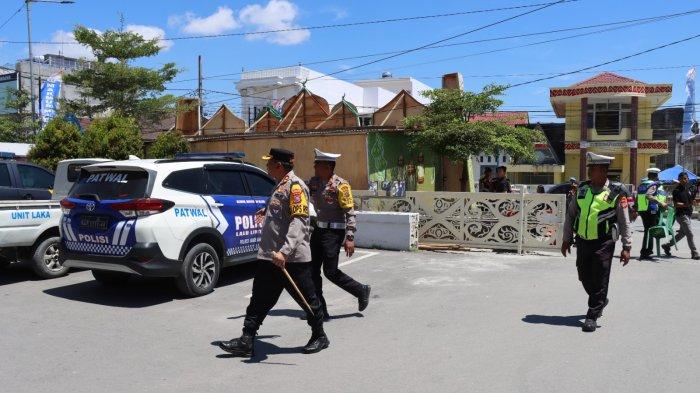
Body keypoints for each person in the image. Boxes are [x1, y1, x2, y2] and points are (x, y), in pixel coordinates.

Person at [219, 148, 329, 357]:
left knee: (307, 299)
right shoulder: (279, 185)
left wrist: (285, 251)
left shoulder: (296, 187)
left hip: (291, 259)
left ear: (279, 165)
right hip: (270, 256)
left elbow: (299, 221)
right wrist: (266, 209)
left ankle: (320, 335)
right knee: (258, 299)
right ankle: (246, 340)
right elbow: (281, 210)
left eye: (269, 162)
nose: (266, 165)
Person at [561, 152, 632, 333]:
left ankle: (592, 315)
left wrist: (627, 246)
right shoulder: (582, 190)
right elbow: (571, 215)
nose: (589, 171)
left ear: (602, 170)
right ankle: (600, 299)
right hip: (583, 241)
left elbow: (624, 221)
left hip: (604, 242)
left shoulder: (616, 193)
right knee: (584, 275)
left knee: (600, 276)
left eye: (592, 168)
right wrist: (566, 239)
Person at [308, 148, 371, 320]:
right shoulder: (314, 182)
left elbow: (350, 212)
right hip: (319, 230)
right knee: (312, 271)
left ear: (328, 167)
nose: (314, 167)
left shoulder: (341, 185)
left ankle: (360, 289)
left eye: (318, 165)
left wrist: (350, 237)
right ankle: (320, 310)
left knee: (330, 271)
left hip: (334, 232)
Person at [662, 172, 699, 260]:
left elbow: (692, 201)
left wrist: (694, 201)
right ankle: (694, 253)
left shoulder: (689, 189)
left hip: (688, 214)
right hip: (681, 215)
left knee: (682, 234)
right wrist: (687, 204)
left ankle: (667, 245)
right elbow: (676, 204)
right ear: (679, 180)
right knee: (689, 234)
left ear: (688, 179)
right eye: (682, 178)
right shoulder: (676, 191)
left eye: (685, 178)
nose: (684, 180)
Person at [636, 168, 668, 260]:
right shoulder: (653, 184)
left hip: (642, 209)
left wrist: (635, 208)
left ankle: (647, 250)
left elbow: (638, 197)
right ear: (655, 176)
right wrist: (661, 203)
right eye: (657, 176)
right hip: (651, 210)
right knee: (649, 231)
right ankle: (645, 251)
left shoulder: (642, 184)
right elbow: (648, 196)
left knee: (647, 230)